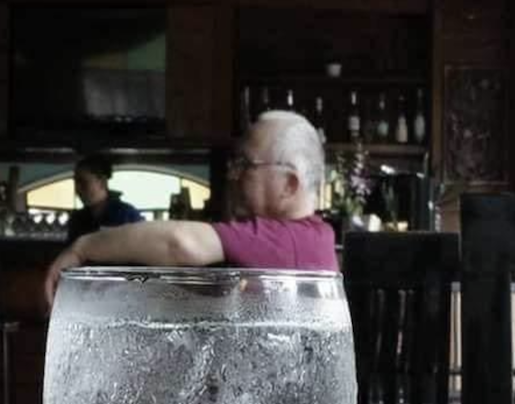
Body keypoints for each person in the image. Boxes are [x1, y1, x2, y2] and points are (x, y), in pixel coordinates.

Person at [44, 111, 337, 308]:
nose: (233, 174)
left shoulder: (294, 240)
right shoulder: (306, 239)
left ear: (289, 184)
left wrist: (83, 248)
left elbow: (180, 244)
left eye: (245, 164)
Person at [66, 153, 143, 245]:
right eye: (76, 182)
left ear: (102, 182)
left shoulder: (127, 215)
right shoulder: (77, 219)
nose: (77, 189)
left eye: (83, 182)